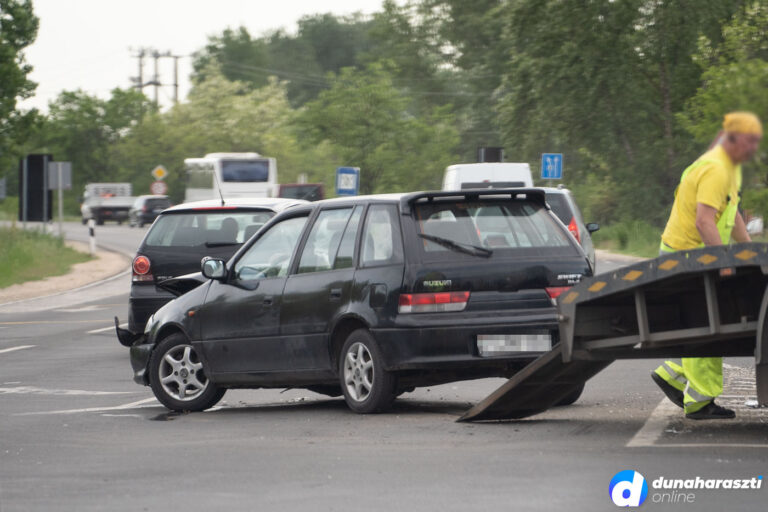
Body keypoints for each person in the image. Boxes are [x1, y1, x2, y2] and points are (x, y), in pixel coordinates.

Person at [652, 111, 763, 420]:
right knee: (710, 325)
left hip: (691, 254)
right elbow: (704, 222)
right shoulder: (715, 169)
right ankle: (700, 402)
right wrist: (722, 261)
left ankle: (672, 373)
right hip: (688, 256)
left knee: (699, 322)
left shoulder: (726, 168)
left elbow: (733, 214)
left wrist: (750, 251)